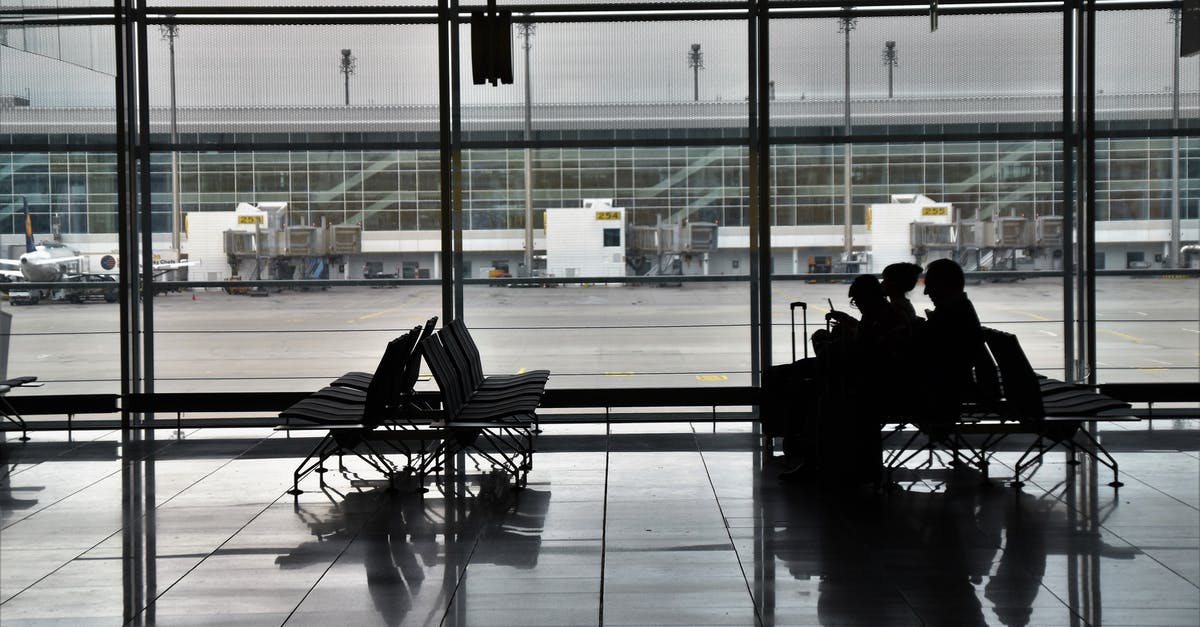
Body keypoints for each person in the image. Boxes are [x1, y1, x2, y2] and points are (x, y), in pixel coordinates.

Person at [916, 258, 986, 427]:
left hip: (944, 392)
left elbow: (923, 350)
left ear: (944, 285)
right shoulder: (958, 310)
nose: (926, 292)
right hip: (949, 387)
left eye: (930, 285)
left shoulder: (949, 315)